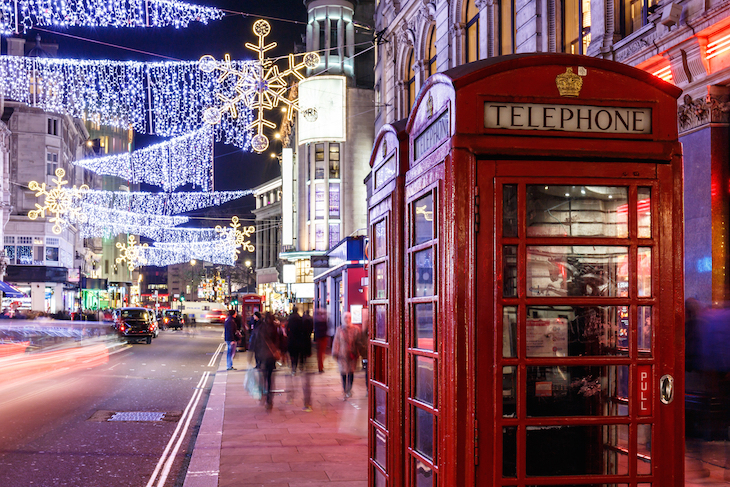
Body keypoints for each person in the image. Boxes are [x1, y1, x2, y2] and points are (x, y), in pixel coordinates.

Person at [251, 312, 281, 411]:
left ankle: (264, 394)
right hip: (271, 357)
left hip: (263, 356)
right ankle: (269, 399)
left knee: (263, 377)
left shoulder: (261, 327)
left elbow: (256, 340)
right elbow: (279, 342)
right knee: (270, 378)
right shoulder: (275, 328)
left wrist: (252, 354)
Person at [332, 312, 360, 400]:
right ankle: (345, 389)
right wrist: (335, 352)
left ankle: (349, 389)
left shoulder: (356, 329)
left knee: (351, 372)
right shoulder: (339, 330)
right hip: (342, 355)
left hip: (352, 355)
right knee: (343, 372)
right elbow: (336, 341)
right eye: (345, 318)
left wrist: (358, 352)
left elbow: (358, 342)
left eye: (349, 318)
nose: (347, 320)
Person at [314, 308, 329, 373]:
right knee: (322, 353)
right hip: (323, 337)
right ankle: (321, 366)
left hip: (319, 338)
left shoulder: (316, 320)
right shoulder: (324, 320)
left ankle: (320, 366)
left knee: (320, 354)